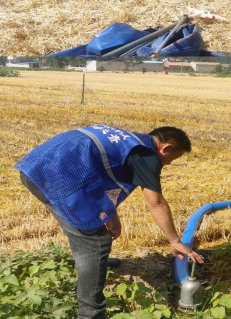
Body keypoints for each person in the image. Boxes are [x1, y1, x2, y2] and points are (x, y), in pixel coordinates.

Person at [15, 125, 204, 319]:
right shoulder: (147, 155)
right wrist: (175, 241)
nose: (169, 164)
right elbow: (155, 203)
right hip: (58, 177)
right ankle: (90, 313)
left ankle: (96, 264)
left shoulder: (128, 140)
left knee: (85, 228)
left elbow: (99, 174)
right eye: (173, 159)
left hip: (35, 168)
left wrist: (109, 213)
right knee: (95, 241)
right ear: (166, 148)